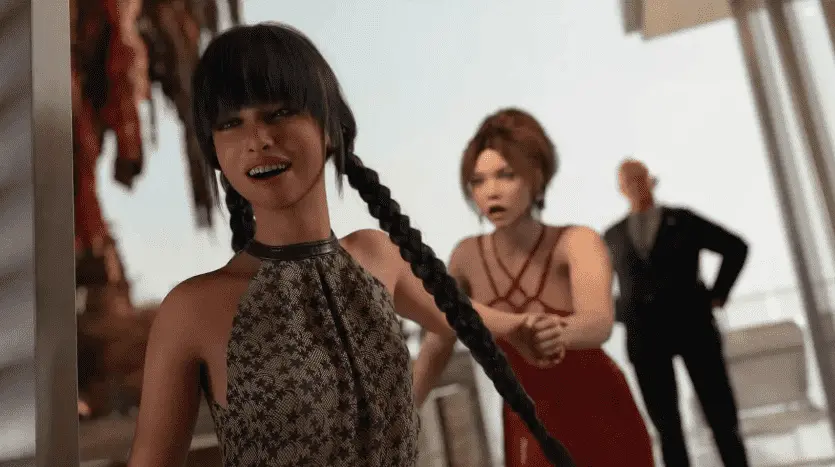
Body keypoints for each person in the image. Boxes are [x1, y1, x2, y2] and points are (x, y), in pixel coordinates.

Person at [126, 23, 576, 467]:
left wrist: (518, 327)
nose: (258, 140)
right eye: (231, 124)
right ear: (214, 151)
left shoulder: (376, 256)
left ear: (330, 128)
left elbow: (456, 313)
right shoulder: (192, 309)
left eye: (278, 113)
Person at [413, 108, 654, 467]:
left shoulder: (578, 242)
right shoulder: (466, 258)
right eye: (478, 181)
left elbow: (598, 322)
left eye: (505, 175)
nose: (491, 192)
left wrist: (553, 332)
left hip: (601, 413)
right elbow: (437, 343)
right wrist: (400, 412)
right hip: (528, 421)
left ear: (536, 176)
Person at [604, 158, 750, 467]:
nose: (635, 185)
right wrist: (623, 311)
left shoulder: (683, 220)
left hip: (694, 327)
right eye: (628, 181)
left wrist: (717, 294)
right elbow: (590, 287)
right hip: (645, 338)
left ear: (651, 180)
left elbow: (736, 247)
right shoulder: (613, 236)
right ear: (620, 189)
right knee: (667, 428)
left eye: (640, 178)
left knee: (721, 417)